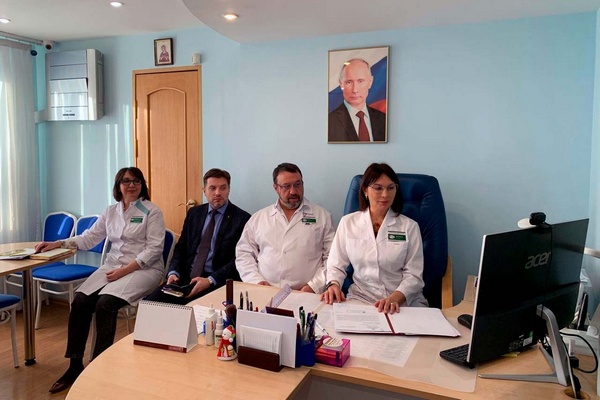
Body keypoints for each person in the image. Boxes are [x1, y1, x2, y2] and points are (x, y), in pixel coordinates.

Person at [35, 167, 166, 394]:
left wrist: (125, 271)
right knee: (80, 301)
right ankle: (74, 366)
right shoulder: (111, 211)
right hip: (113, 266)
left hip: (145, 269)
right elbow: (89, 238)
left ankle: (99, 368)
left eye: (136, 181)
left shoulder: (151, 211)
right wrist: (59, 243)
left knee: (105, 304)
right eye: (126, 181)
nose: (131, 185)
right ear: (118, 185)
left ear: (142, 184)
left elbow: (154, 249)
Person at [321, 163, 427, 313]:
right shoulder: (348, 223)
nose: (385, 194)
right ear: (365, 190)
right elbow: (336, 265)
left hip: (402, 302)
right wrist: (333, 285)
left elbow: (414, 275)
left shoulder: (409, 227)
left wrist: (395, 298)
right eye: (378, 188)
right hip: (361, 299)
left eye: (390, 188)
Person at [145, 168, 250, 304]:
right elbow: (181, 248)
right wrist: (173, 272)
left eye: (223, 188)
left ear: (229, 190)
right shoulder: (194, 213)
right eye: (212, 188)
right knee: (149, 304)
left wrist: (210, 280)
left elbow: (239, 260)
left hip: (216, 281)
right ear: (204, 190)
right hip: (185, 278)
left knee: (191, 309)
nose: (218, 193)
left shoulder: (242, 219)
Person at [236, 163, 334, 293]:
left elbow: (332, 257)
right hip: (265, 291)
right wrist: (256, 281)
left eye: (298, 184)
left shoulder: (322, 217)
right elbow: (244, 253)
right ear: (276, 188)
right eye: (286, 186)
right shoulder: (259, 218)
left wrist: (314, 286)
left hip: (306, 293)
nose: (293, 191)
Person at [328, 58, 386, 142]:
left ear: (370, 82)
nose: (355, 90)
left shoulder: (383, 120)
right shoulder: (329, 122)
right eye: (349, 82)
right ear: (341, 84)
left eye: (360, 81)